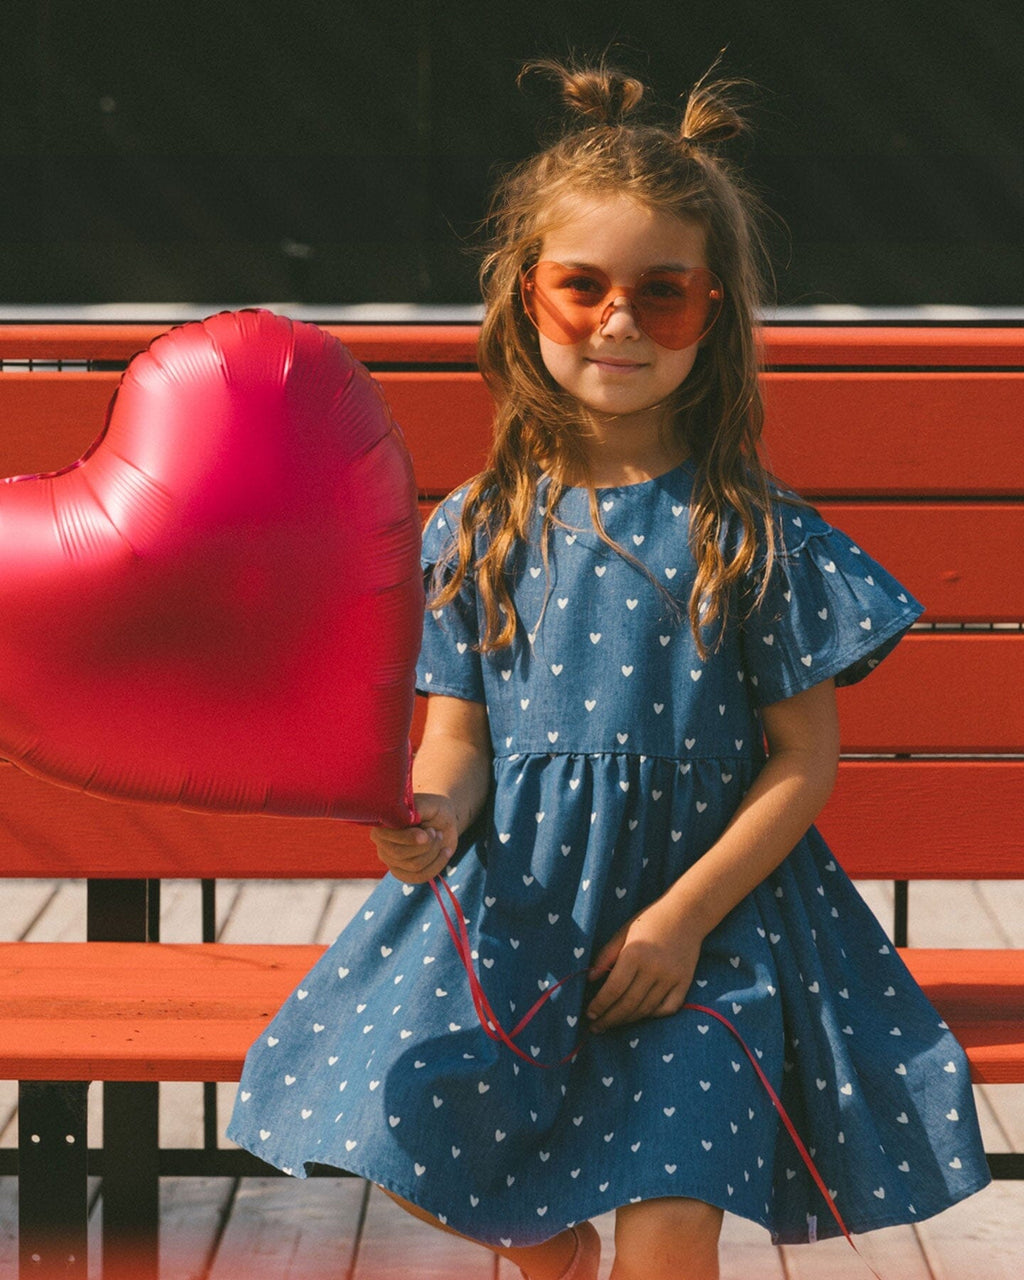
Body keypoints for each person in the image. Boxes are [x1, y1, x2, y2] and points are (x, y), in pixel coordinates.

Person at [227, 59, 991, 1280]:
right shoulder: (473, 527)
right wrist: (429, 814)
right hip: (519, 910)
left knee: (675, 1203)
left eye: (663, 294)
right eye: (583, 288)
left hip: (714, 927)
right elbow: (457, 739)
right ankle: (550, 1251)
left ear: (715, 309)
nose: (621, 322)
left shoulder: (749, 532)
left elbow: (804, 760)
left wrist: (683, 919)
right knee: (365, 1100)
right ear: (525, 299)